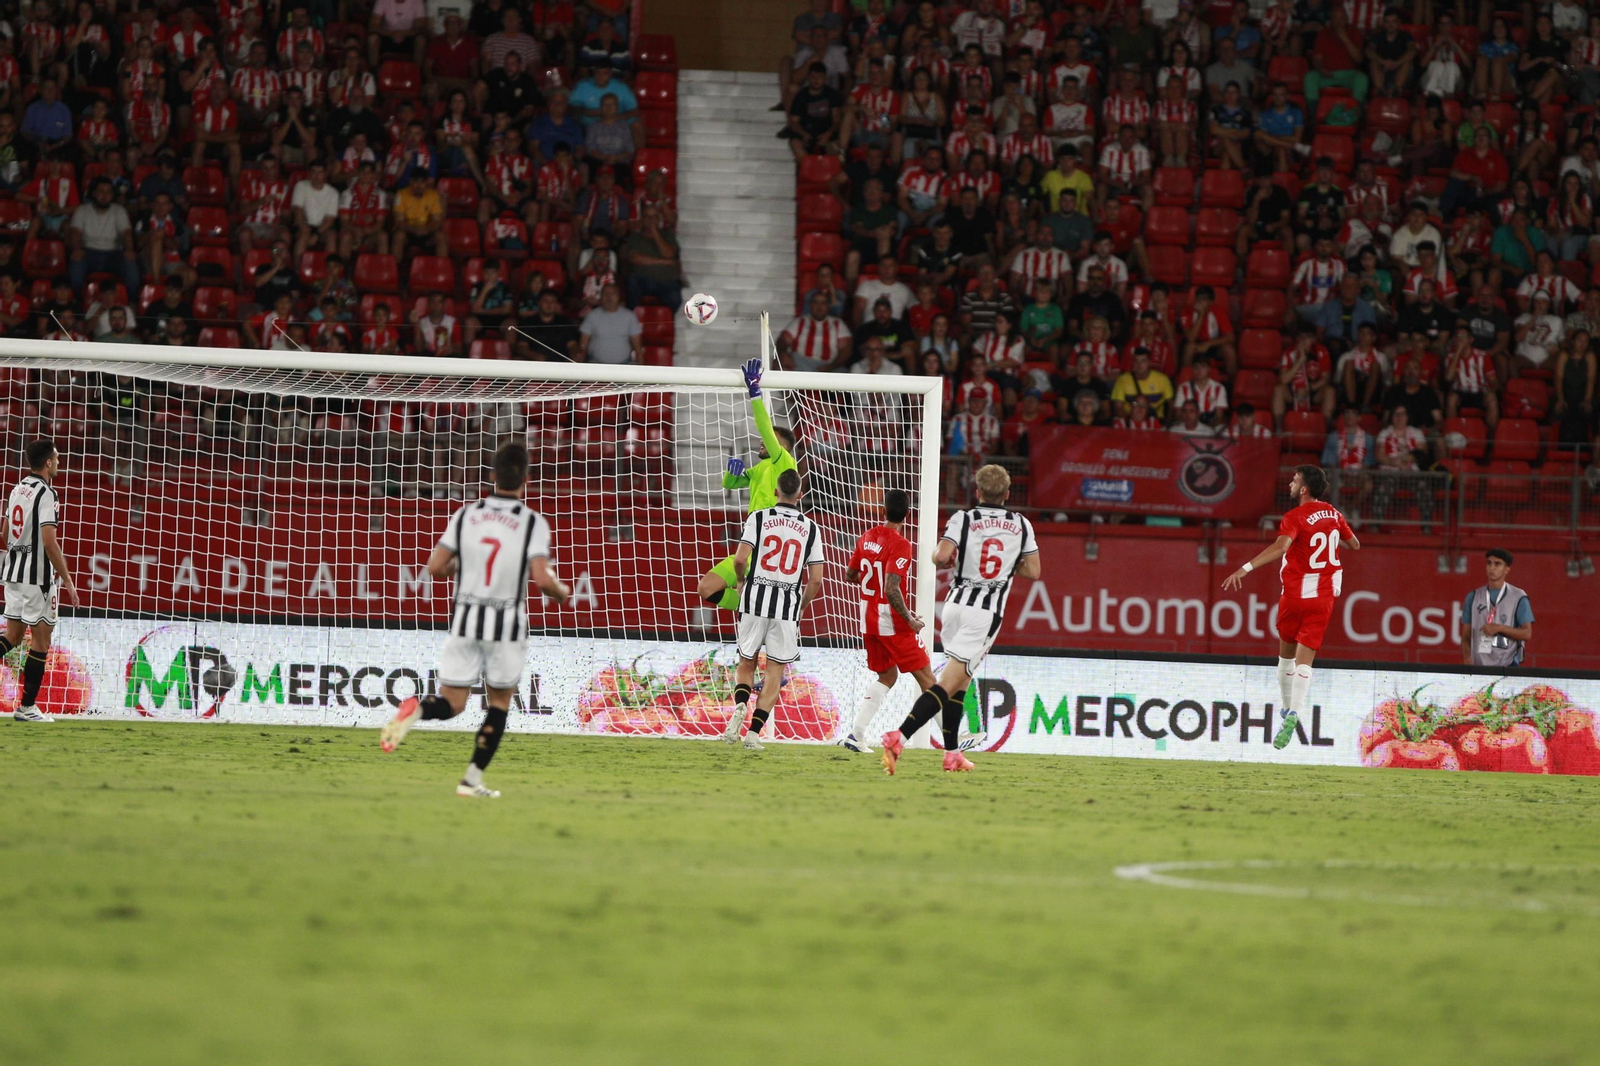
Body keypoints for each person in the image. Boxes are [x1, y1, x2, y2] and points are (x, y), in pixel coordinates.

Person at [379, 442, 570, 797]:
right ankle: (471, 780)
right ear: (526, 479)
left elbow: (436, 567)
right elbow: (543, 580)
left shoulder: (466, 515)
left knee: (452, 703)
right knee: (498, 703)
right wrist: (561, 591)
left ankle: (416, 710)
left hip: (464, 620)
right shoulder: (532, 522)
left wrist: (465, 565)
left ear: (492, 475)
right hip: (506, 625)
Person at [881, 463, 1038, 775]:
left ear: (977, 492)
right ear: (1007, 494)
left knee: (961, 683)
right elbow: (1033, 571)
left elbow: (941, 556)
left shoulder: (962, 519)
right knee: (948, 684)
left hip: (954, 607)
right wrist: (1010, 563)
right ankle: (900, 736)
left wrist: (944, 556)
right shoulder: (1021, 524)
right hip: (984, 613)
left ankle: (952, 753)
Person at [1222, 465, 1361, 750]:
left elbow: (1281, 547)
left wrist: (1245, 568)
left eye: (1295, 481)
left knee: (1286, 657)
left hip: (1295, 595)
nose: (1290, 484)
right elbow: (1355, 545)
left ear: (1304, 489)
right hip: (1322, 598)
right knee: (1305, 662)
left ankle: (1286, 708)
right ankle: (1295, 712)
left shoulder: (1295, 516)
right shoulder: (1334, 514)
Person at [719, 468, 825, 752]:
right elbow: (816, 579)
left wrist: (740, 582)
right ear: (800, 495)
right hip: (786, 608)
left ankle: (740, 705)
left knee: (746, 662)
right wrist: (801, 606)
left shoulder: (758, 517)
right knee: (774, 673)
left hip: (755, 600)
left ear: (776, 491)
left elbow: (740, 559)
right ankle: (754, 734)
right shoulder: (811, 528)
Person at [837, 488, 935, 754]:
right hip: (891, 623)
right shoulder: (901, 544)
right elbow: (891, 589)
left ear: (883, 511)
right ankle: (956, 737)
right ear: (907, 515)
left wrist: (874, 585)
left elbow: (850, 575)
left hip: (868, 619)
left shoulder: (867, 536)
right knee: (927, 678)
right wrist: (910, 619)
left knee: (888, 675)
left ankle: (856, 734)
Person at [698, 359, 797, 615]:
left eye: (769, 439)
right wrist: (731, 473)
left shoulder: (784, 462)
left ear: (782, 447)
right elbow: (730, 484)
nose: (762, 441)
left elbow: (763, 426)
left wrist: (755, 392)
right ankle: (751, 606)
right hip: (749, 545)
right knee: (706, 588)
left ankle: (761, 610)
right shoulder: (761, 468)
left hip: (769, 549)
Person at [1, 440, 81, 721]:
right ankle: (27, 707)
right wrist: (68, 580)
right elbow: (49, 541)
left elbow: (4, 534)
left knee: (12, 637)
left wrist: (20, 550)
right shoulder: (47, 493)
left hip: (13, 575)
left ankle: (27, 707)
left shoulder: (16, 489)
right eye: (57, 458)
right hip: (38, 579)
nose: (59, 462)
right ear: (48, 462)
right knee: (41, 641)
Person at [1461, 548, 1534, 667]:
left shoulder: (1518, 597)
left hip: (1508, 666)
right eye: (1489, 563)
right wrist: (1467, 658)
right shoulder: (1473, 597)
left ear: (1507, 569)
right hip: (1478, 666)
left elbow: (1527, 633)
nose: (1492, 568)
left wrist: (1500, 628)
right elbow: (1466, 635)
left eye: (1497, 564)